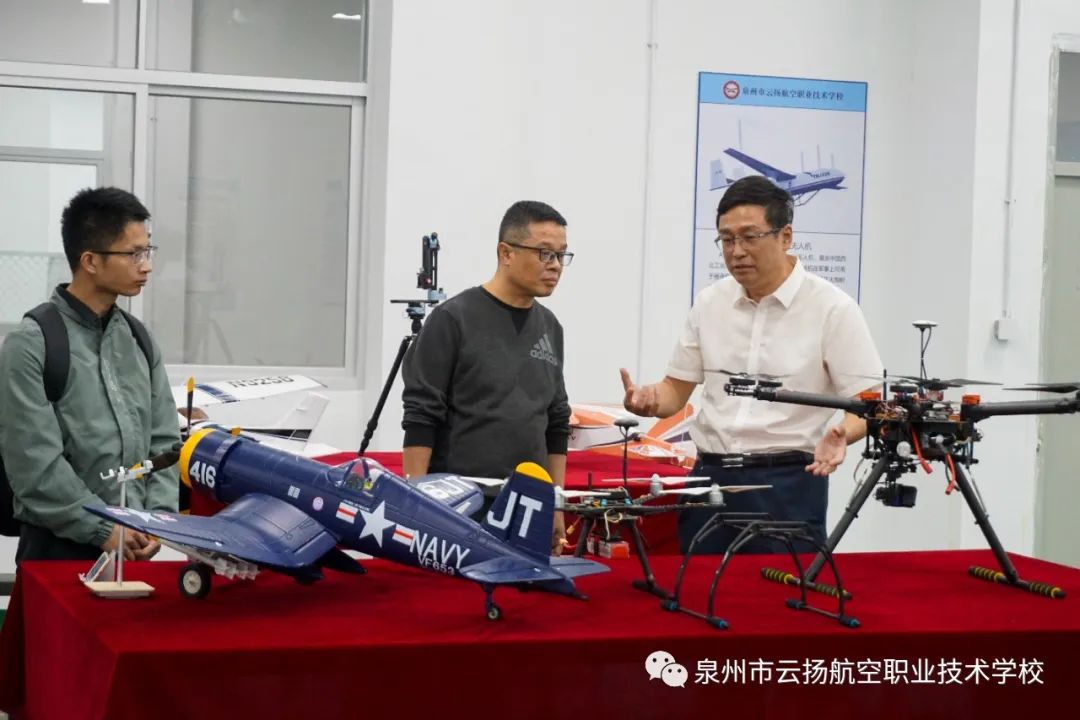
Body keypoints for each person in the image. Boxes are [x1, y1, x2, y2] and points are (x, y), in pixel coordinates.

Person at [621, 176, 883, 554]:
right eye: (726, 240)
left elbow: (870, 404)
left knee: (779, 589)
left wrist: (844, 432)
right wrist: (648, 399)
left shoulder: (832, 308)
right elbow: (674, 393)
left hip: (787, 484)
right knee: (695, 587)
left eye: (749, 237)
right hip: (709, 479)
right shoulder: (710, 303)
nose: (737, 251)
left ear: (785, 236)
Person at [0, 187, 180, 563]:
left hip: (132, 546)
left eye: (148, 251)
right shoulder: (31, 344)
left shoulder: (140, 340)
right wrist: (103, 529)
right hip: (56, 549)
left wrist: (158, 520)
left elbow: (164, 443)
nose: (146, 265)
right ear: (91, 261)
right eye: (134, 254)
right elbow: (34, 465)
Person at [401, 200, 573, 554]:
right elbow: (421, 417)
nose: (555, 265)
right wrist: (416, 508)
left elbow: (556, 423)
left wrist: (555, 502)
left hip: (528, 508)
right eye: (544, 253)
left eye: (561, 255)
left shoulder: (550, 326)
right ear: (506, 253)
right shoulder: (453, 319)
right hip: (461, 507)